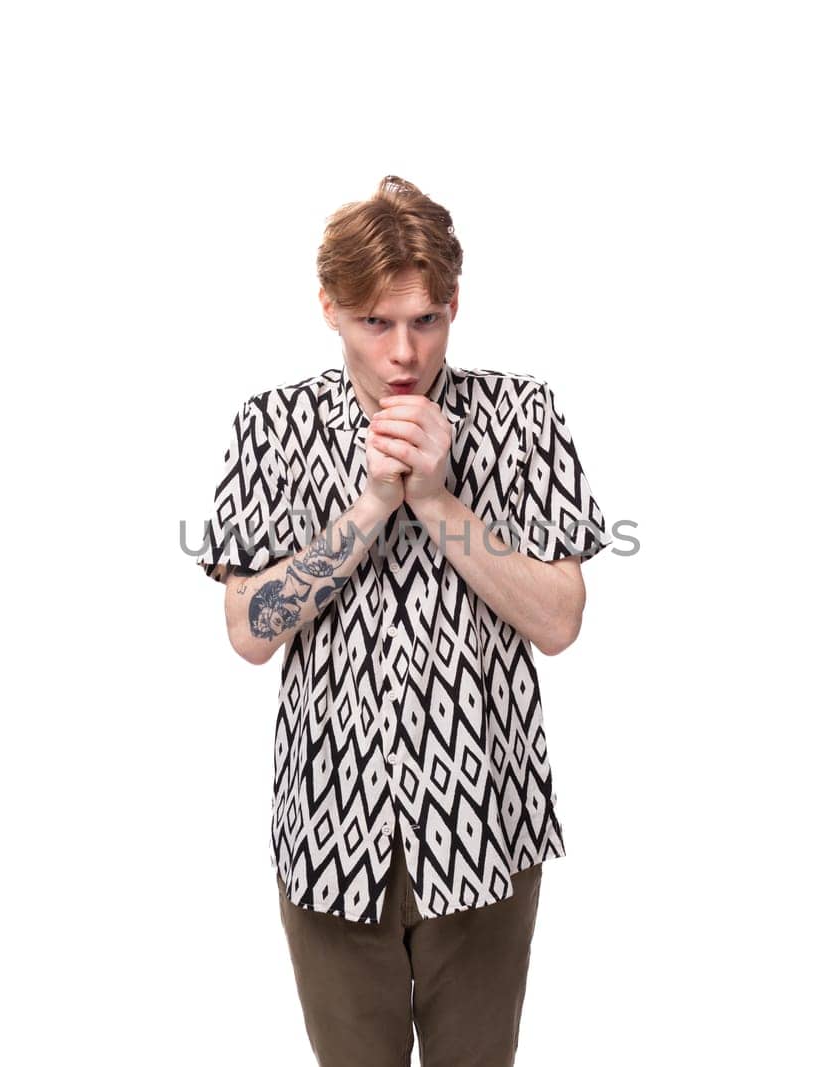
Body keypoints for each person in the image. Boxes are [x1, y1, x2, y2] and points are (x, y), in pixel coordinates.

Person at [195, 175, 611, 1066]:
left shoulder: (523, 415)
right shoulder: (270, 426)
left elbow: (562, 617)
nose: (403, 353)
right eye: (375, 323)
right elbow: (248, 630)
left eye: (425, 320)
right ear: (330, 309)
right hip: (330, 829)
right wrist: (370, 506)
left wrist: (434, 496)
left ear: (454, 304)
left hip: (485, 821)